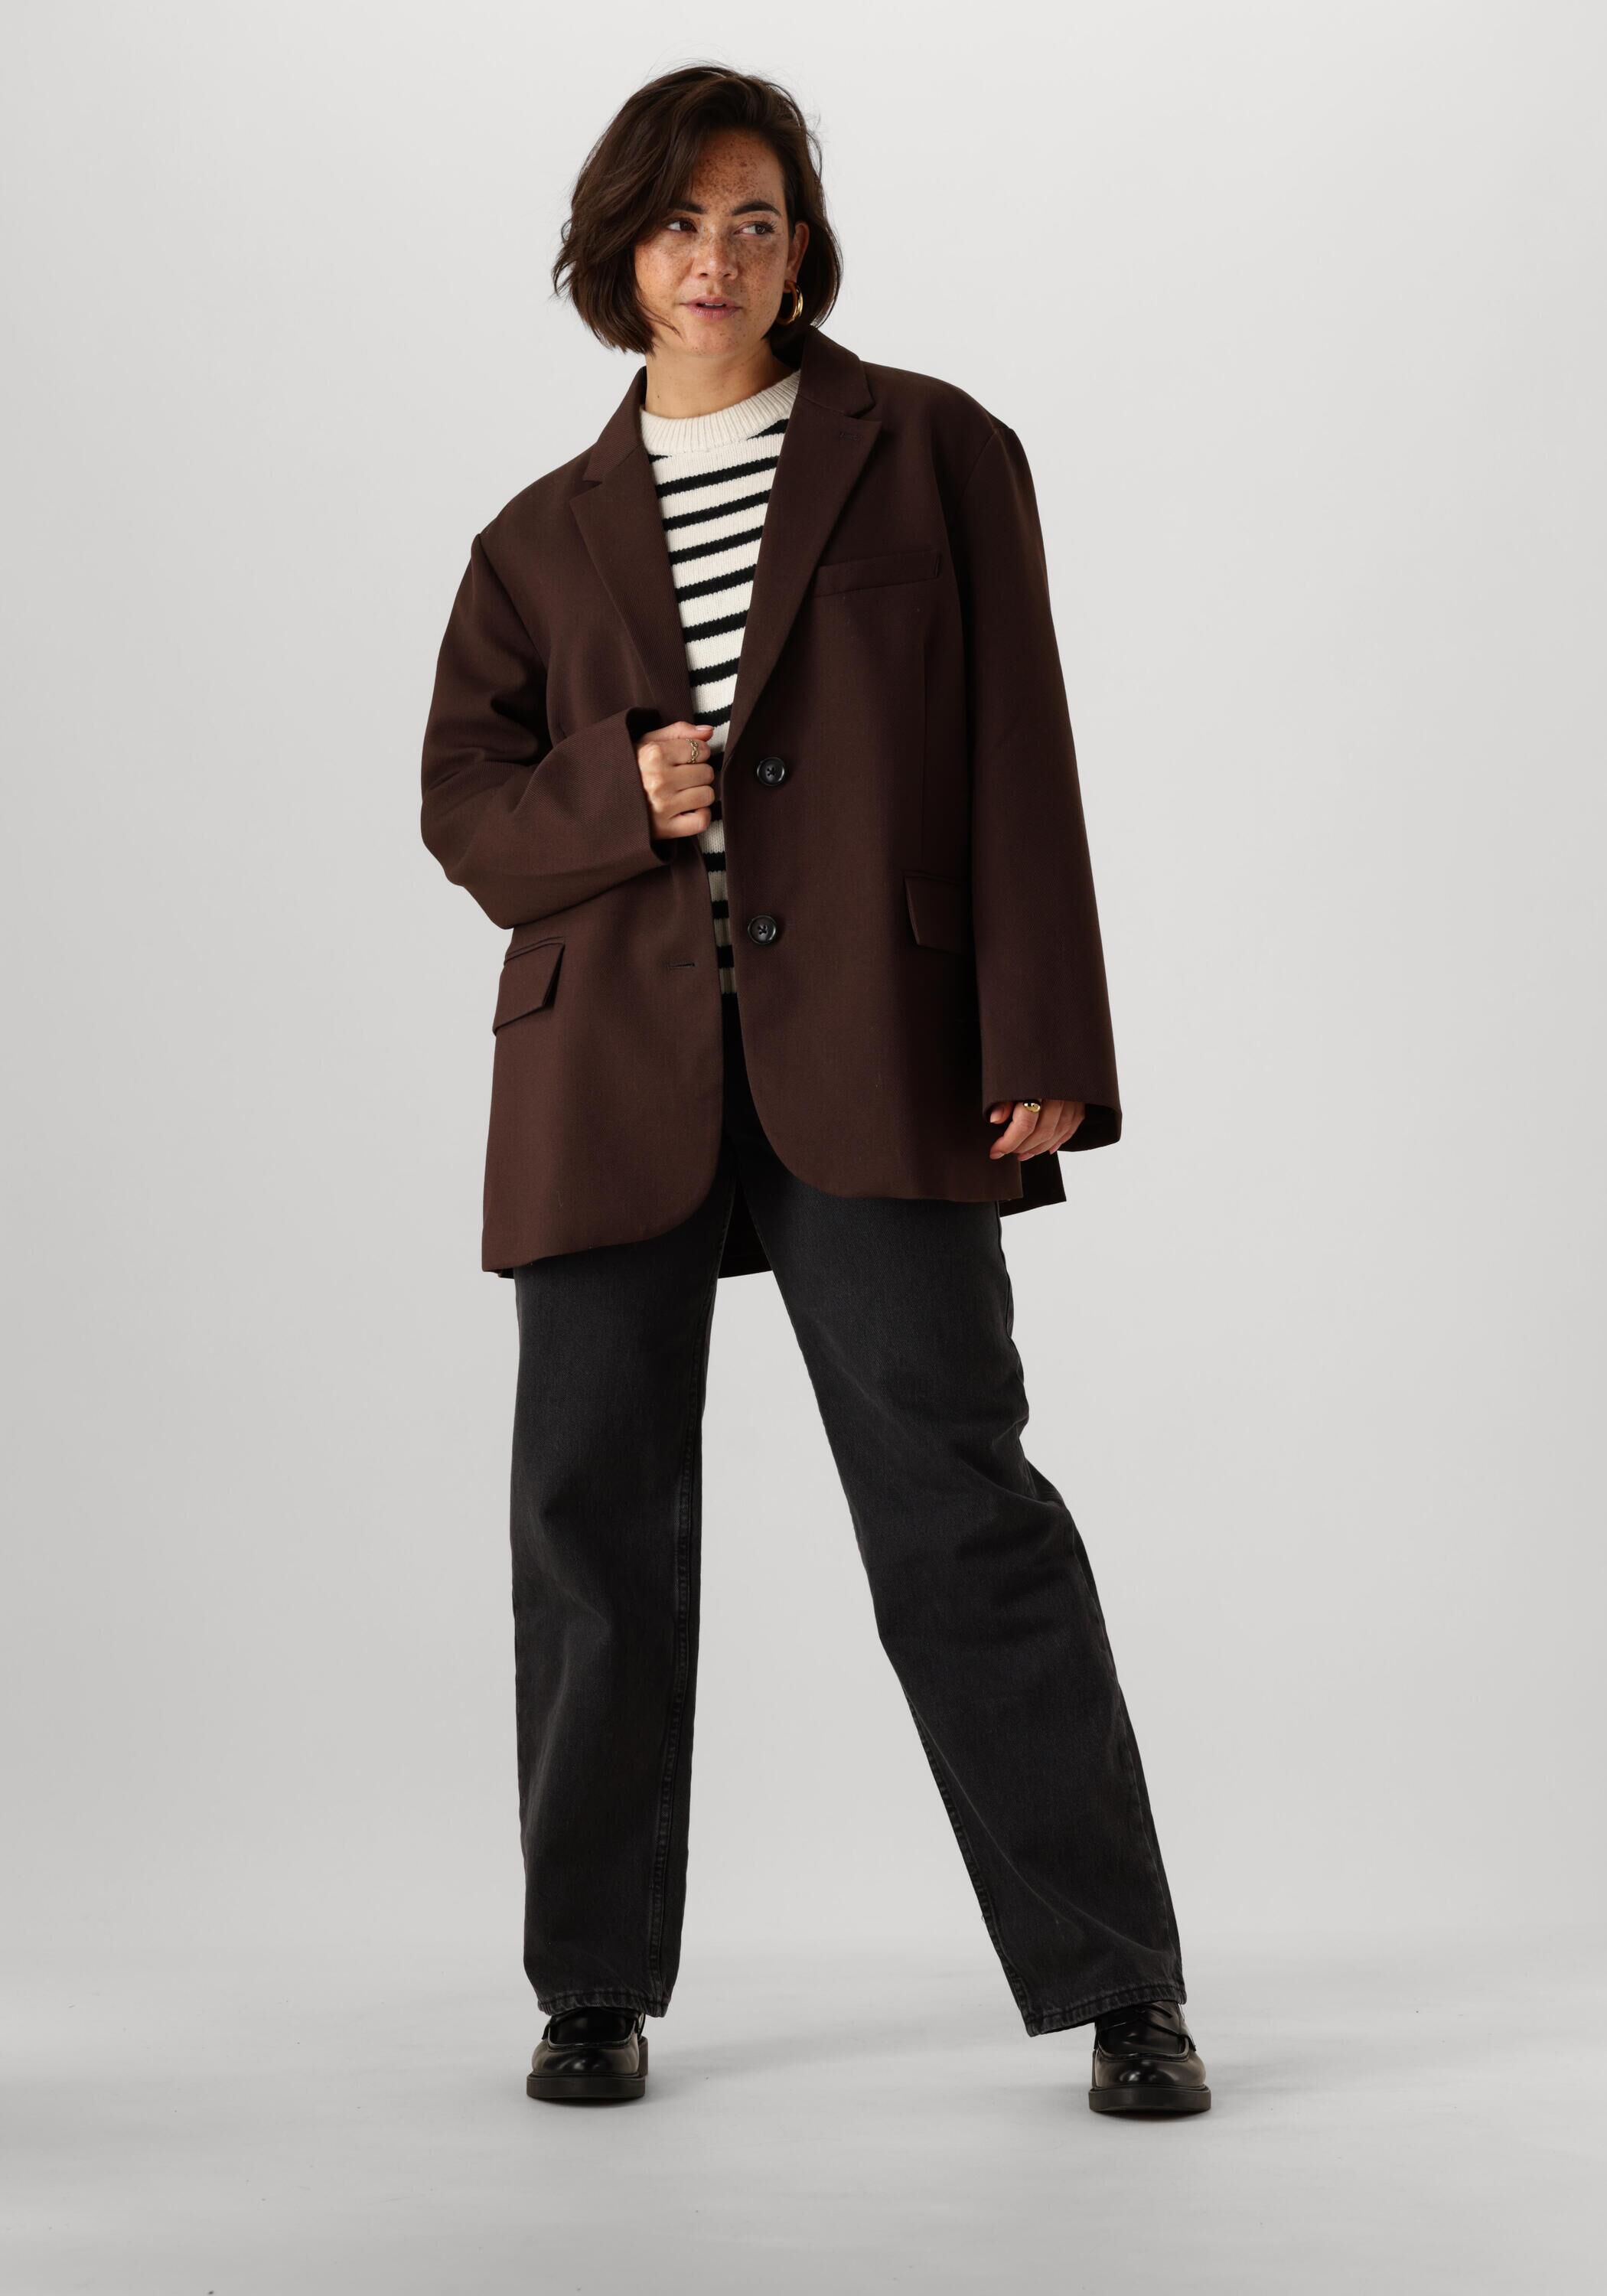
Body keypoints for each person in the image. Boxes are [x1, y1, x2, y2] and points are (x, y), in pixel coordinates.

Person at [419, 62, 1210, 2118]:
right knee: (590, 1528)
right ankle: (592, 1984)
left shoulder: (932, 451)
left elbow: (1019, 747)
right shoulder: (533, 539)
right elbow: (464, 809)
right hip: (607, 1074)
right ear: (619, 249)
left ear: (802, 247)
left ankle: (1120, 1983)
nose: (718, 258)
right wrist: (619, 792)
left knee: (963, 1513)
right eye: (681, 221)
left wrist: (1044, 1038)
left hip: (880, 1053)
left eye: (756, 219)